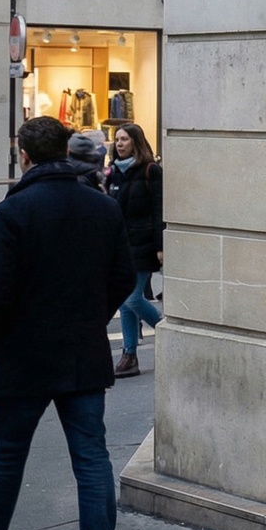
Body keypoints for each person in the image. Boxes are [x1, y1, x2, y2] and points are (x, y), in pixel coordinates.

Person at [0, 116, 133, 530]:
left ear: (24, 156)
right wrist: (94, 316)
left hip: (22, 356)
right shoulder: (102, 207)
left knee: (5, 459)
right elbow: (123, 278)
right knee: (92, 459)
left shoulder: (12, 213)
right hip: (82, 351)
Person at [105, 123, 163, 378]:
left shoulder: (151, 170)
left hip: (143, 244)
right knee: (126, 304)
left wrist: (160, 246)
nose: (119, 144)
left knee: (131, 298)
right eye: (117, 139)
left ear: (136, 142)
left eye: (124, 139)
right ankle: (129, 355)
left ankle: (165, 332)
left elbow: (159, 210)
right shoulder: (113, 172)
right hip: (121, 244)